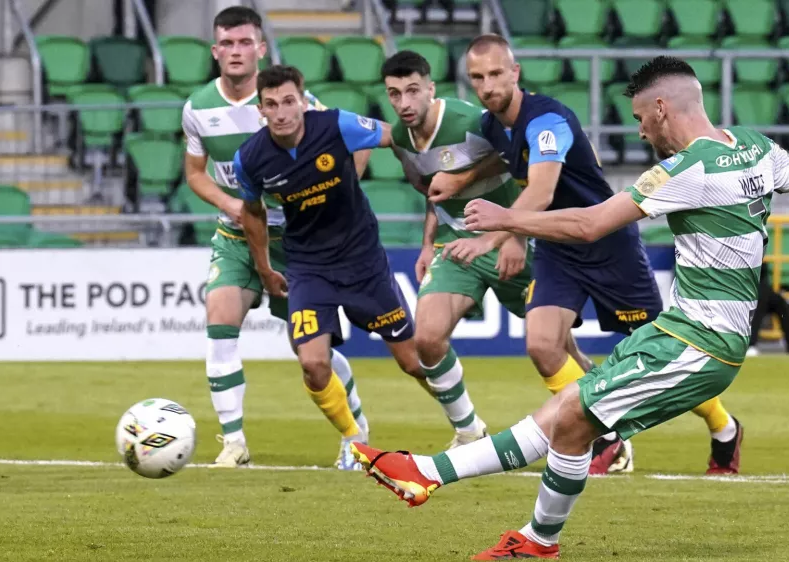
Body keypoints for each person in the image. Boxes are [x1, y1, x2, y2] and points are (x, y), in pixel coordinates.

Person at [349, 55, 789, 560]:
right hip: (683, 332)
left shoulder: (686, 169)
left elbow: (591, 223)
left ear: (660, 108)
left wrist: (507, 219)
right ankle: (522, 529)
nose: (641, 133)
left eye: (639, 120)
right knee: (569, 414)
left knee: (574, 414)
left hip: (700, 343)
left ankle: (432, 477)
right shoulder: (757, 149)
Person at [429, 35, 745, 475]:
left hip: (608, 244)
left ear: (515, 73)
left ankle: (724, 426)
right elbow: (506, 158)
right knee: (543, 344)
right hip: (560, 250)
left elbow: (540, 190)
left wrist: (492, 237)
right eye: (478, 77)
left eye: (496, 73)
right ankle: (608, 439)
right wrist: (464, 181)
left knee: (662, 356)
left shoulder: (549, 119)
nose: (487, 85)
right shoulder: (490, 126)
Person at [381, 50, 602, 454]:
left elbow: (515, 164)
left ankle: (603, 429)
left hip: (511, 241)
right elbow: (434, 191)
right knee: (427, 340)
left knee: (556, 349)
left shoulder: (473, 120)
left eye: (413, 91)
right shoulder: (400, 139)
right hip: (457, 245)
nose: (405, 103)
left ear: (431, 88)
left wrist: (514, 235)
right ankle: (469, 431)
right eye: (394, 94)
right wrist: (428, 243)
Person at [180, 6, 371, 468]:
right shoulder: (197, 108)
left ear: (261, 48)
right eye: (227, 43)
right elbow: (195, 174)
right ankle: (233, 443)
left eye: (245, 42)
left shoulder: (292, 101)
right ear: (214, 51)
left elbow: (356, 148)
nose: (236, 51)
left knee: (310, 352)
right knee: (219, 319)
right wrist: (231, 206)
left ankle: (356, 434)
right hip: (237, 236)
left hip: (298, 244)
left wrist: (332, 198)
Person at [234, 64, 430, 471]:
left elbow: (393, 135)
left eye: (289, 101)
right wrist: (265, 268)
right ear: (261, 110)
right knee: (312, 363)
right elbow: (251, 213)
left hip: (362, 259)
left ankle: (469, 425)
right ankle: (354, 438)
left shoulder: (335, 124)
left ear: (302, 102)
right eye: (272, 104)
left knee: (413, 362)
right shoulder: (250, 159)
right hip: (308, 267)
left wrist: (418, 175)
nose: (282, 111)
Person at [747, 261, 789, 356]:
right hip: (747, 288)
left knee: (780, 303)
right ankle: (751, 344)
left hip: (760, 287)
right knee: (759, 303)